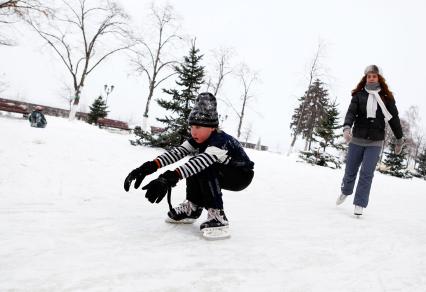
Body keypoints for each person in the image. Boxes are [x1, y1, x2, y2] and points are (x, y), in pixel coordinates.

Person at [123, 92, 254, 235]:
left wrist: (170, 177)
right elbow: (177, 152)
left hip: (241, 175)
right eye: (191, 127)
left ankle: (218, 216)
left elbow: (202, 162)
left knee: (200, 165)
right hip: (222, 170)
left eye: (198, 127)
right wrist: (149, 167)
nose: (193, 132)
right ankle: (193, 208)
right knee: (195, 165)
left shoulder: (220, 141)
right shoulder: (198, 139)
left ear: (211, 127)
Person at [336, 65, 403, 216]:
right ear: (365, 78)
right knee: (350, 171)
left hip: (375, 141)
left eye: (374, 76)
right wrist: (347, 128)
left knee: (366, 173)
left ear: (379, 78)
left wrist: (399, 138)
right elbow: (351, 113)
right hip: (357, 138)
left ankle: (359, 203)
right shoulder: (359, 95)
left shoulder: (387, 98)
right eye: (369, 76)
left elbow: (394, 120)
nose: (371, 78)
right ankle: (345, 191)